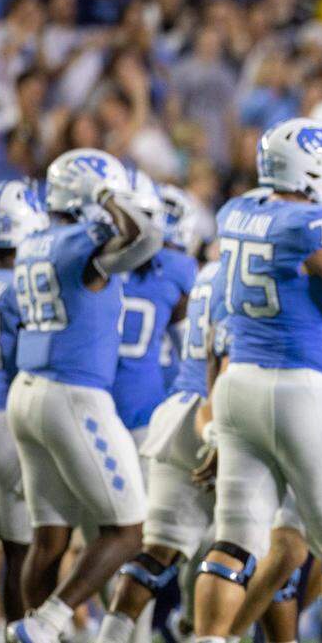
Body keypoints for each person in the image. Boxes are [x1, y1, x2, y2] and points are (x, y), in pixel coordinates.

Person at [192, 118, 322, 643]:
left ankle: (208, 638)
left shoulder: (237, 211)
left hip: (238, 383)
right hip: (298, 391)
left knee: (236, 540)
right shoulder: (308, 225)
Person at [5, 148, 164, 643]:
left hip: (27, 393)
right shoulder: (79, 238)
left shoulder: (36, 239)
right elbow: (148, 237)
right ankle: (48, 622)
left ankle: (32, 630)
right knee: (128, 530)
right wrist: (106, 198)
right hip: (73, 395)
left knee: (49, 538)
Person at [95, 246, 222, 643]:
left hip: (174, 410)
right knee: (240, 548)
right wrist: (218, 429)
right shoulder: (259, 276)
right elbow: (225, 354)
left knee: (154, 548)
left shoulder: (207, 274)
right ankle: (192, 627)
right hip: (215, 413)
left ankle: (111, 636)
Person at [0, 180, 48, 624]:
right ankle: (20, 635)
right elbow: (33, 358)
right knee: (24, 547)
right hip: (5, 419)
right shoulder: (22, 287)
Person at [111, 170, 197, 450]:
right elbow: (191, 347)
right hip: (144, 402)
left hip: (89, 398)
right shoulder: (176, 268)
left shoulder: (82, 259)